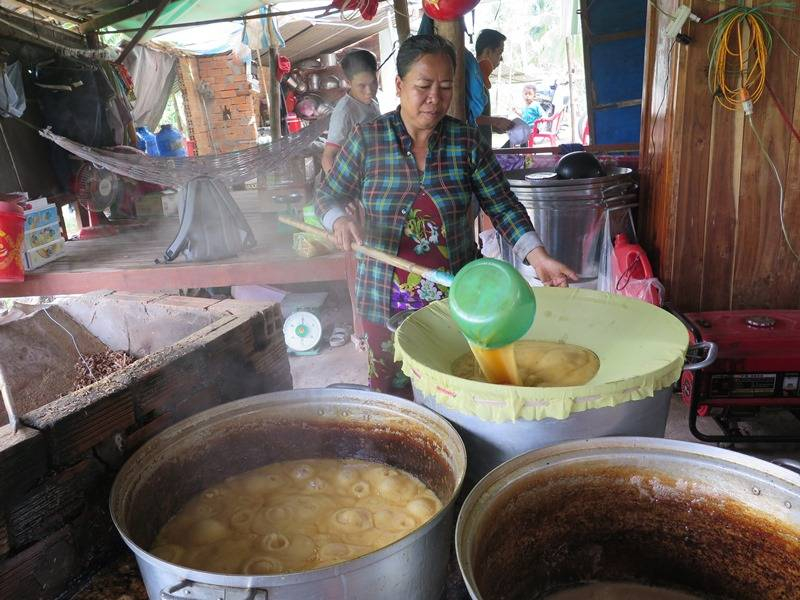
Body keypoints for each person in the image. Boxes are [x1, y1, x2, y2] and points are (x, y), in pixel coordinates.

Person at [315, 34, 577, 396]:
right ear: (399, 85)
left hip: (458, 300)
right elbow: (328, 195)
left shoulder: (465, 142)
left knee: (456, 389)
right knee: (393, 396)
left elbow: (501, 205)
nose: (434, 98)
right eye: (423, 86)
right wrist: (337, 219)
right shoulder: (368, 139)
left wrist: (539, 257)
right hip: (382, 296)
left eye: (445, 86)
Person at [321, 49, 381, 173]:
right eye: (362, 86)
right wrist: (337, 186)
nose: (369, 91)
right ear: (348, 83)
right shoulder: (344, 112)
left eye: (373, 82)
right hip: (353, 176)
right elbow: (328, 156)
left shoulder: (372, 101)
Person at [474, 29, 514, 145]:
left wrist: (493, 125)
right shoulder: (471, 79)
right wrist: (495, 121)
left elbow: (479, 119)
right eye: (499, 52)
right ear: (487, 52)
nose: (501, 59)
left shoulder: (480, 79)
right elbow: (466, 117)